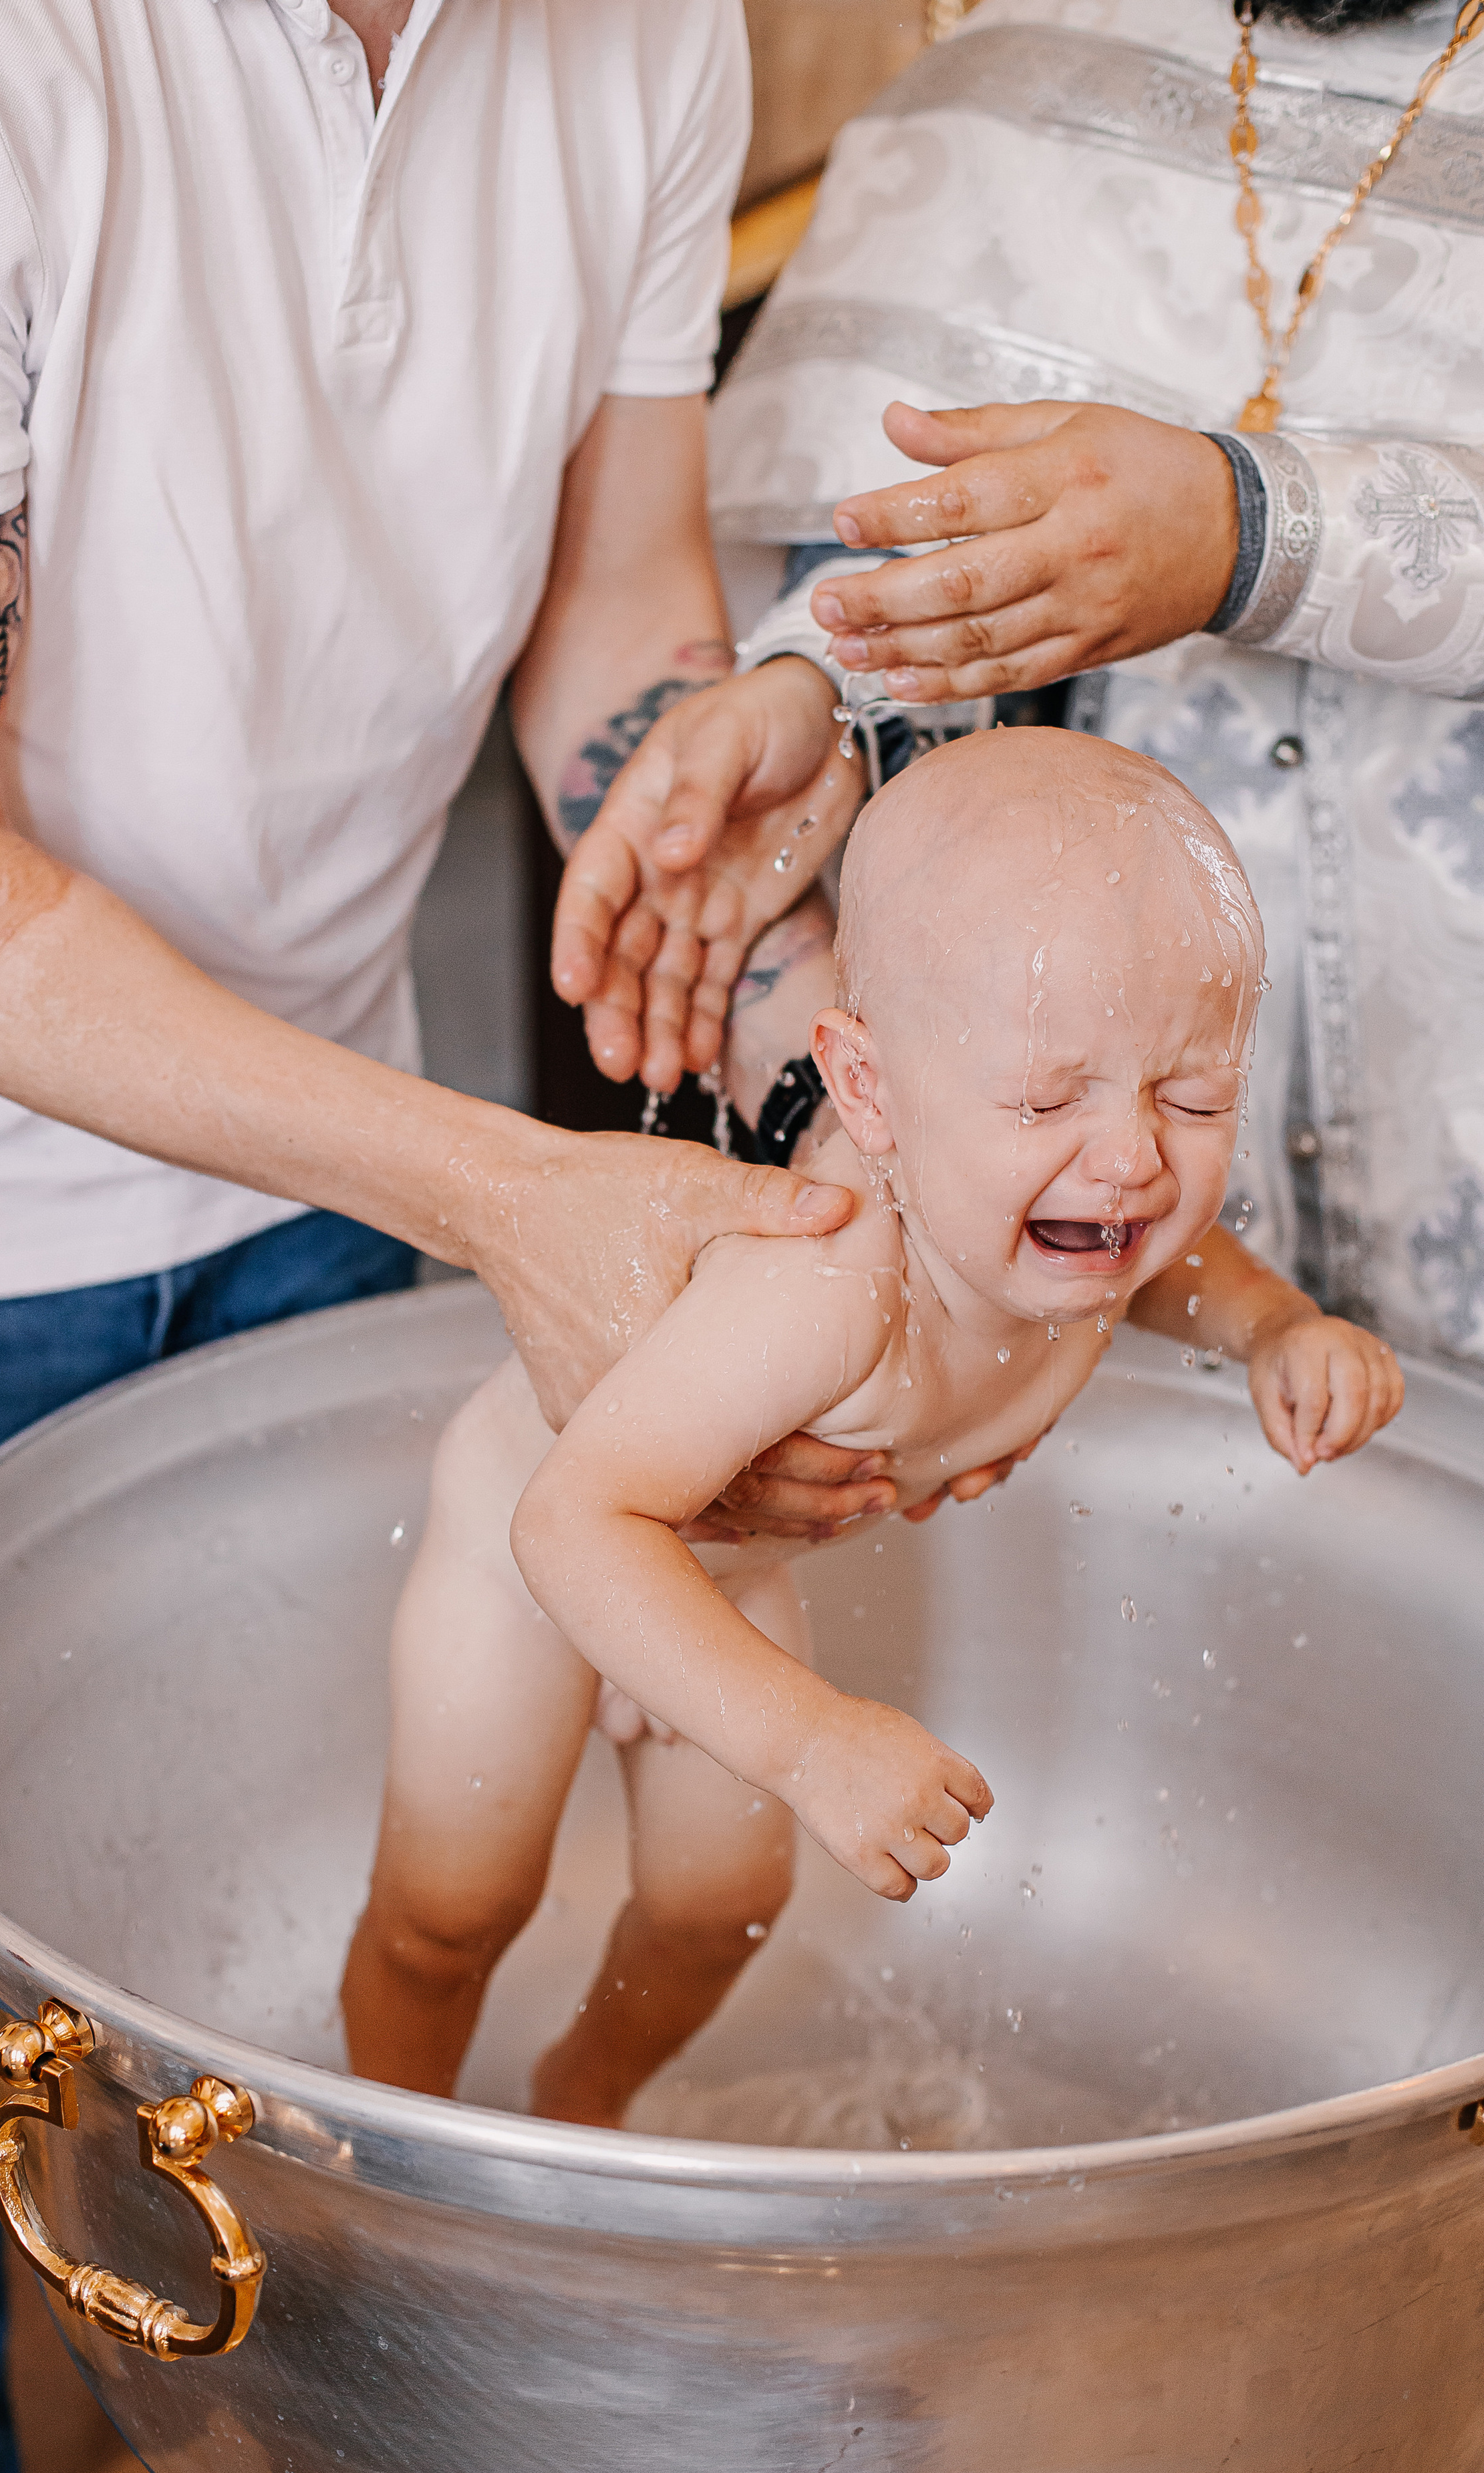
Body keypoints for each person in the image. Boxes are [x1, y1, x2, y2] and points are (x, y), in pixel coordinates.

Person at [0, 6, 891, 2473]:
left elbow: (614, 604)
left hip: (321, 1150)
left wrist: (779, 951)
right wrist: (507, 1191)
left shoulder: (642, 36)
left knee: (240, 1918)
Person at [341, 728, 1402, 2130]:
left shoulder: (1088, 1210)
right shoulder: (828, 1281)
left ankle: (575, 2106)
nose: (1132, 1157)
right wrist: (807, 1742)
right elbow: (572, 1520)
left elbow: (1177, 1269)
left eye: (1193, 1094)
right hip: (540, 1562)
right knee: (452, 1910)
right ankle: (373, 2161)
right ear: (869, 1096)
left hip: (712, 1571)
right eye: (1043, 1099)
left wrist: (1277, 1328)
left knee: (720, 1904)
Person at [555, 0, 1484, 1385]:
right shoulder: (1031, 51)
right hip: (1106, 1228)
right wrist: (815, 681)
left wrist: (1249, 534)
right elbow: (883, 538)